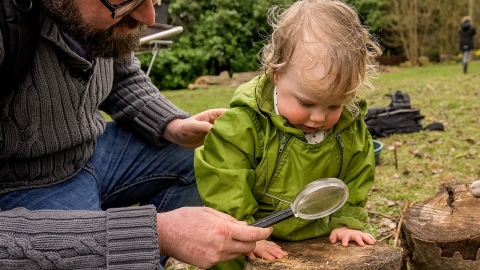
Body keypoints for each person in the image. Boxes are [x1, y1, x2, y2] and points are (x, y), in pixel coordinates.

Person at [0, 0, 272, 269]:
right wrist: (154, 233)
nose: (149, 17)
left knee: (198, 157)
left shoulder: (98, 22)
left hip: (89, 155)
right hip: (20, 187)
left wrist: (173, 126)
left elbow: (120, 73)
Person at [194, 0, 382, 269]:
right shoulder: (245, 123)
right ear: (276, 74)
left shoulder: (350, 129)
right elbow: (224, 179)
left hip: (317, 233)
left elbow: (356, 176)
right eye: (306, 104)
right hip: (250, 232)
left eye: (334, 105)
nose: (318, 117)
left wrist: (346, 222)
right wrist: (246, 233)